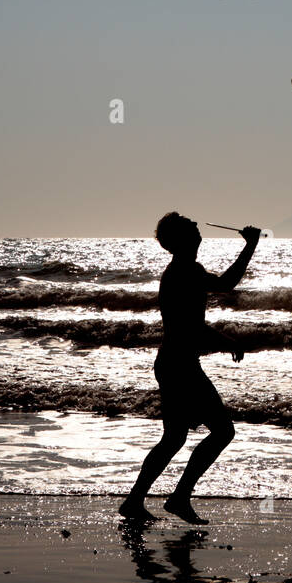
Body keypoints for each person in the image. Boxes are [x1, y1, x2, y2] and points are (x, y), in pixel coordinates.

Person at [119, 214, 261, 524]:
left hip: (173, 363)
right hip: (180, 366)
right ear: (184, 238)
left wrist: (249, 247)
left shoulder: (182, 270)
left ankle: (137, 501)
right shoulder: (185, 271)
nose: (197, 224)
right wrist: (249, 246)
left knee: (173, 438)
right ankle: (179, 497)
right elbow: (215, 297)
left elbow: (217, 292)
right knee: (222, 431)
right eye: (189, 224)